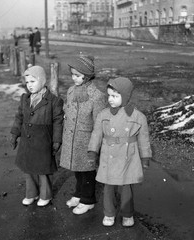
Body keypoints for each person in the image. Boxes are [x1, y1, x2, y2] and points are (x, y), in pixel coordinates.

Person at [88, 77, 152, 227]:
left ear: (126, 96)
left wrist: (145, 157)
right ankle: (109, 213)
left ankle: (127, 214)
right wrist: (92, 151)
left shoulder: (138, 117)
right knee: (108, 187)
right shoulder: (103, 115)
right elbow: (96, 134)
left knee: (126, 188)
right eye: (109, 95)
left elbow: (143, 139)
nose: (110, 99)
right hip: (108, 156)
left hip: (128, 156)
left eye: (115, 96)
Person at [10, 65, 64, 207]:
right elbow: (19, 117)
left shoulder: (54, 101)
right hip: (27, 142)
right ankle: (31, 193)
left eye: (32, 81)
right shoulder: (25, 99)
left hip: (43, 141)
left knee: (43, 170)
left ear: (42, 81)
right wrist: (14, 133)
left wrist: (57, 140)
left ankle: (45, 195)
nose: (29, 86)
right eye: (27, 82)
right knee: (28, 169)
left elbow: (58, 122)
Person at [60, 54, 107, 215]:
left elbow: (99, 123)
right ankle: (79, 194)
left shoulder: (97, 96)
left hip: (86, 140)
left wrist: (96, 146)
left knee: (87, 171)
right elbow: (68, 107)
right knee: (77, 170)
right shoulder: (71, 90)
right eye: (73, 74)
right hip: (72, 139)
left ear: (87, 76)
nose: (74, 78)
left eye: (78, 76)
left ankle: (88, 200)